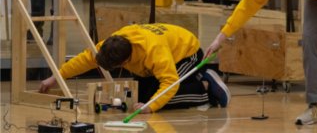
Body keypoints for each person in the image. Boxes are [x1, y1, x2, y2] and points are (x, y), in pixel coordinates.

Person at [40, 23, 231, 113]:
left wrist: (151, 107)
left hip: (187, 53)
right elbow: (83, 60)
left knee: (153, 100)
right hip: (159, 59)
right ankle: (197, 81)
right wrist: (55, 78)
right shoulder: (113, 43)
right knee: (139, 97)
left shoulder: (154, 51)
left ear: (124, 62)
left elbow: (170, 82)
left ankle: (206, 86)